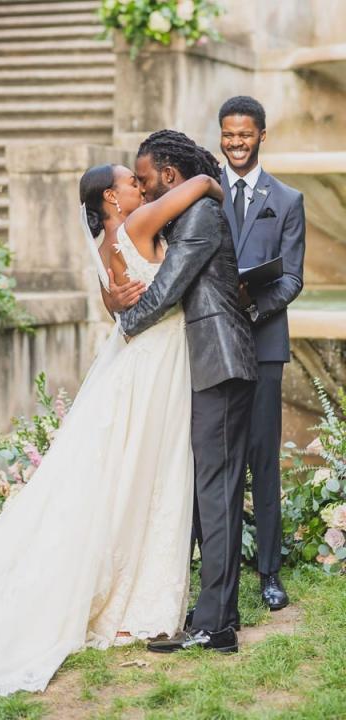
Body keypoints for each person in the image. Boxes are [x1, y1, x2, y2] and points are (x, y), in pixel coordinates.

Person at [0, 159, 224, 695]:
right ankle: (135, 603)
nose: (139, 186)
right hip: (153, 368)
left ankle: (131, 598)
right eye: (130, 182)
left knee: (135, 478)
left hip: (138, 364)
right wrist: (214, 179)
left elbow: (116, 305)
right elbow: (195, 188)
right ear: (111, 200)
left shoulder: (105, 246)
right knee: (153, 476)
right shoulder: (140, 226)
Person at [117, 130, 258, 654]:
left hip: (220, 365)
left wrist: (124, 323)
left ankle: (215, 627)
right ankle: (219, 609)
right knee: (209, 496)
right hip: (212, 366)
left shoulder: (198, 217)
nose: (146, 190)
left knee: (215, 496)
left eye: (148, 180)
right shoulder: (190, 211)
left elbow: (169, 287)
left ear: (170, 176)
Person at [218, 96, 305, 611]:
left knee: (262, 461)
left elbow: (292, 277)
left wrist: (250, 308)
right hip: (213, 347)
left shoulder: (288, 199)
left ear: (262, 136)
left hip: (265, 346)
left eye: (245, 134)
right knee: (218, 460)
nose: (236, 143)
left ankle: (270, 573)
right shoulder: (205, 198)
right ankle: (219, 568)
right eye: (228, 135)